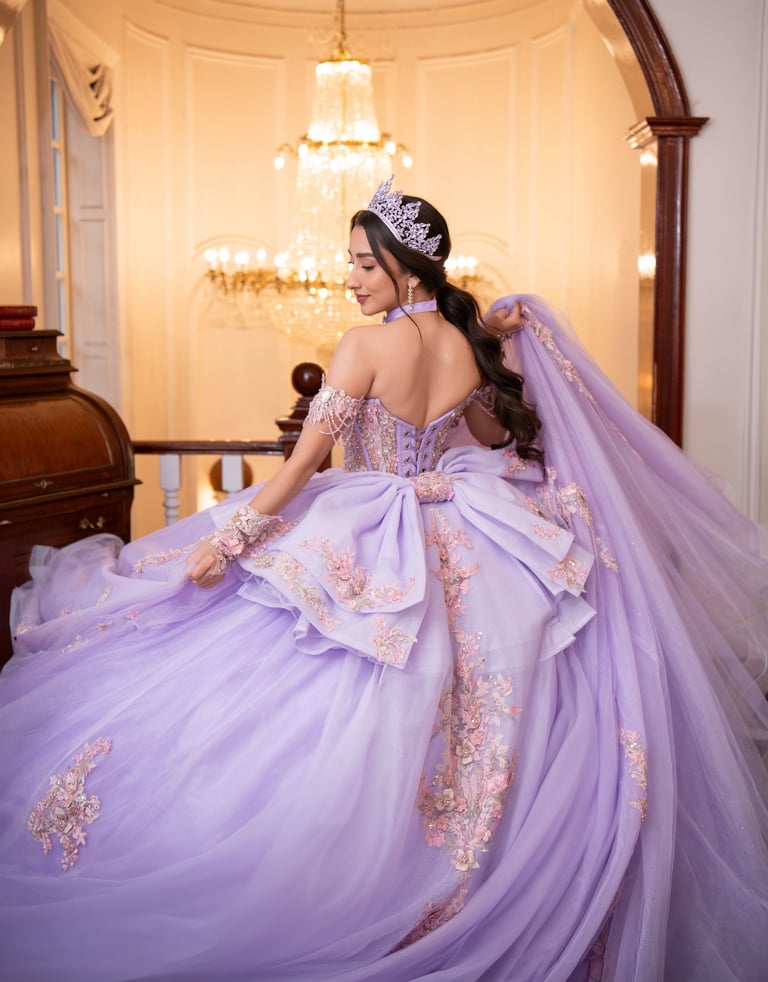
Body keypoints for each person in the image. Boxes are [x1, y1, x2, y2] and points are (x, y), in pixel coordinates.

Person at [0, 177, 766, 982]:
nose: (352, 280)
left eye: (366, 264)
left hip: (371, 520)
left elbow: (303, 463)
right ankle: (427, 861)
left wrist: (234, 539)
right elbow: (488, 434)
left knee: (326, 686)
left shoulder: (364, 346)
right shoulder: (473, 346)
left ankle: (356, 873)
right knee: (459, 698)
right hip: (460, 523)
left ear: (408, 266)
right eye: (352, 264)